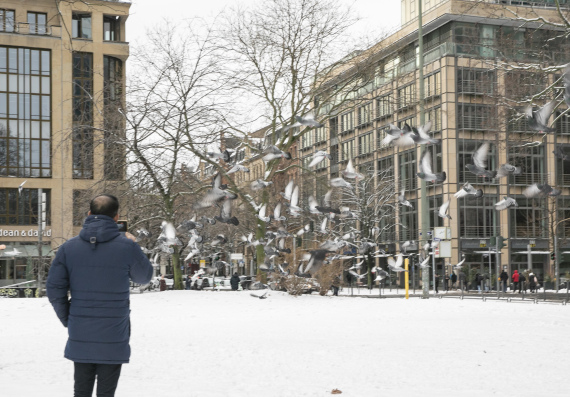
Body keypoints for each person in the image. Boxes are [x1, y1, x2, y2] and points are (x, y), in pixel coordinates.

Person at [46, 194, 153, 397]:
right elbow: (144, 277)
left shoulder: (68, 248)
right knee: (107, 392)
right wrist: (134, 245)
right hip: (114, 331)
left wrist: (68, 318)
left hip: (81, 330)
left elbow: (54, 289)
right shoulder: (127, 246)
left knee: (81, 390)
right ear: (116, 217)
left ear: (89, 214)